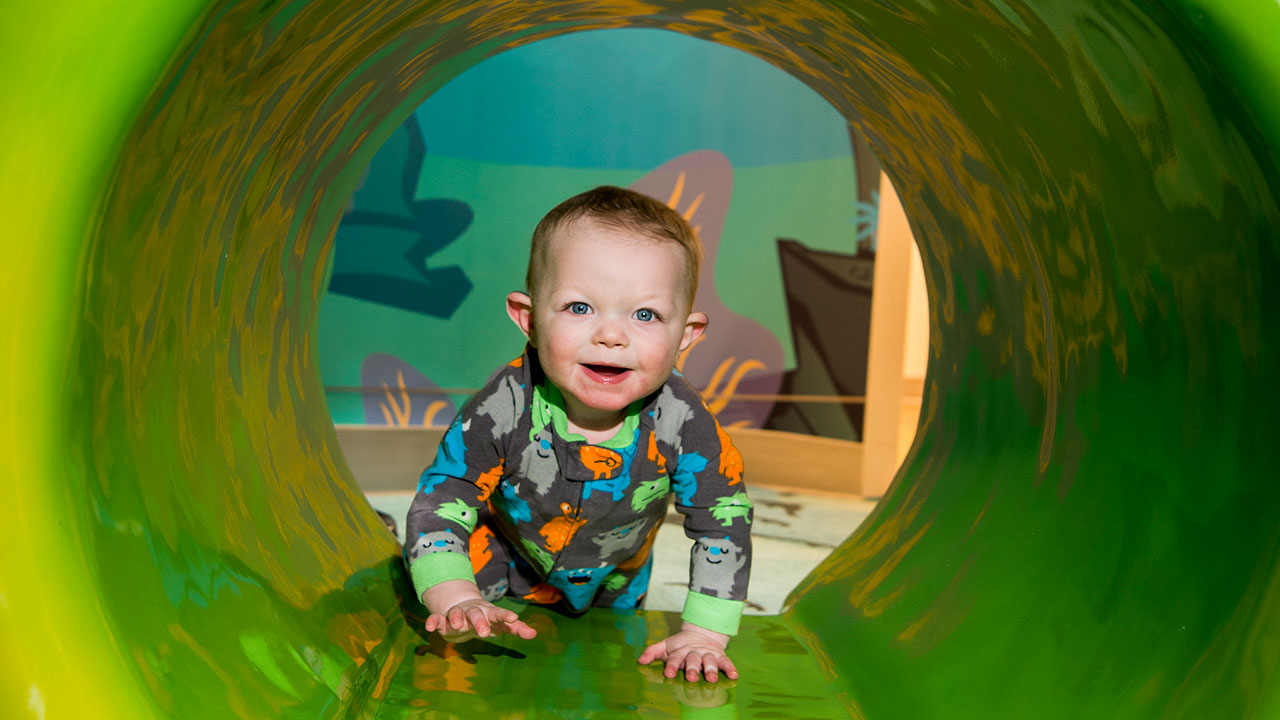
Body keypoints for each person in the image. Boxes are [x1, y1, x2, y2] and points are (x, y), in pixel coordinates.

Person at [404, 185, 753, 683]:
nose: (611, 335)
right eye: (579, 308)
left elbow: (723, 519)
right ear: (527, 319)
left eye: (645, 314)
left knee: (601, 671)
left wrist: (703, 634)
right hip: (501, 565)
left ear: (686, 337)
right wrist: (456, 594)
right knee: (477, 670)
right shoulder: (502, 407)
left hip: (616, 581)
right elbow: (442, 498)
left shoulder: (684, 422)